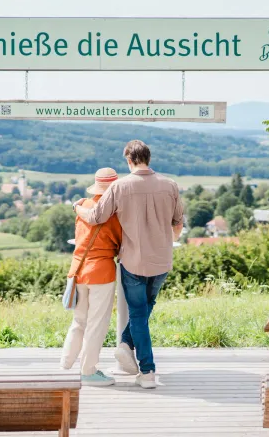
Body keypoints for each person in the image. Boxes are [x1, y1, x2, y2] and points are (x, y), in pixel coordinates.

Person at [74, 140, 183, 389]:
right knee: (144, 311)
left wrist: (77, 207)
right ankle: (125, 345)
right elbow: (178, 223)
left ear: (128, 160)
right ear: (148, 158)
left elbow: (95, 217)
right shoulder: (170, 185)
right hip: (162, 261)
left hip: (133, 262)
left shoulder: (120, 187)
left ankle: (147, 371)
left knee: (137, 314)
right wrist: (166, 241)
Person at [61, 167, 123, 386]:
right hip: (101, 272)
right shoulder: (116, 214)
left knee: (79, 321)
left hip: (78, 270)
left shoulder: (83, 206)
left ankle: (66, 363)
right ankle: (88, 371)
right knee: (97, 324)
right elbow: (119, 243)